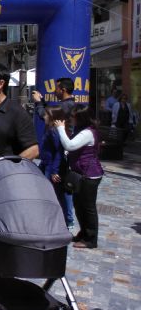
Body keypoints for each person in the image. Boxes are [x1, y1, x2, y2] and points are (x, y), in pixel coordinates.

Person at [54, 106, 104, 249]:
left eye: (74, 117)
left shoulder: (88, 132)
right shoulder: (81, 131)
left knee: (88, 207)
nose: (71, 119)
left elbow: (70, 145)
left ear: (81, 118)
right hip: (80, 173)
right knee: (79, 206)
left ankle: (91, 239)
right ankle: (83, 233)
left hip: (90, 174)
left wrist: (60, 128)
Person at [39, 107, 74, 228]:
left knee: (57, 194)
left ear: (52, 117)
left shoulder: (54, 131)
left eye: (46, 115)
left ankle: (65, 220)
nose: (44, 116)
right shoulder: (48, 128)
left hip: (52, 167)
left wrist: (54, 171)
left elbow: (59, 151)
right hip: (46, 164)